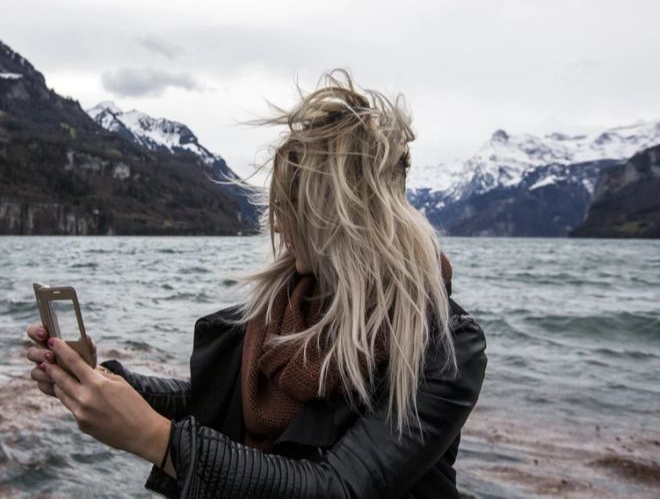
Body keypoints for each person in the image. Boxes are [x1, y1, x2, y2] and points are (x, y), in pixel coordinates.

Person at [24, 70, 487, 498]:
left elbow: (338, 488)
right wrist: (101, 383)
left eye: (291, 206)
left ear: (341, 217)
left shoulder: (443, 347)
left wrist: (154, 438)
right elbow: (212, 402)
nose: (279, 224)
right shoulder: (284, 307)